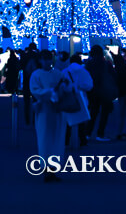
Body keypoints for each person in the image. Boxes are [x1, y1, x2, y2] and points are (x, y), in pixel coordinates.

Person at [30, 52, 72, 182]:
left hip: (57, 110)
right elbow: (35, 91)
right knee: (45, 138)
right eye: (45, 59)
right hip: (45, 110)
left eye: (49, 59)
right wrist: (50, 92)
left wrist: (63, 89)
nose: (48, 62)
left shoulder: (58, 74)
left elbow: (68, 88)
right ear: (40, 60)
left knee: (57, 138)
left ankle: (53, 169)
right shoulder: (37, 74)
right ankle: (46, 169)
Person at [85, 46, 118, 141]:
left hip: (93, 91)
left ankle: (87, 133)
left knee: (93, 112)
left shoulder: (89, 64)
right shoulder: (106, 64)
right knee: (104, 113)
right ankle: (100, 134)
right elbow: (114, 76)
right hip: (105, 91)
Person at [63, 53, 94, 146]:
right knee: (82, 119)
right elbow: (90, 86)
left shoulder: (65, 71)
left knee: (68, 119)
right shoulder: (84, 71)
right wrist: (79, 87)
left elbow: (61, 85)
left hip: (68, 97)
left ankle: (66, 140)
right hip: (81, 97)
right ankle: (82, 140)